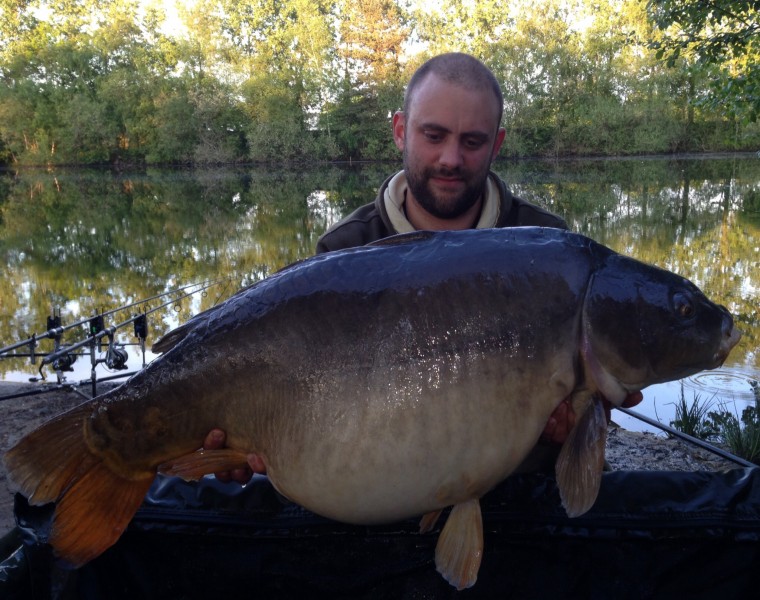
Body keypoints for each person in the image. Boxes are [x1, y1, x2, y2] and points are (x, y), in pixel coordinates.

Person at [206, 52, 641, 483]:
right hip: (381, 493)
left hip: (514, 502)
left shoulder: (548, 249)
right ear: (400, 131)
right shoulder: (345, 249)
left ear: (497, 143)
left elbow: (583, 439)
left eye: (472, 141)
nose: (451, 158)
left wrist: (574, 428)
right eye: (433, 135)